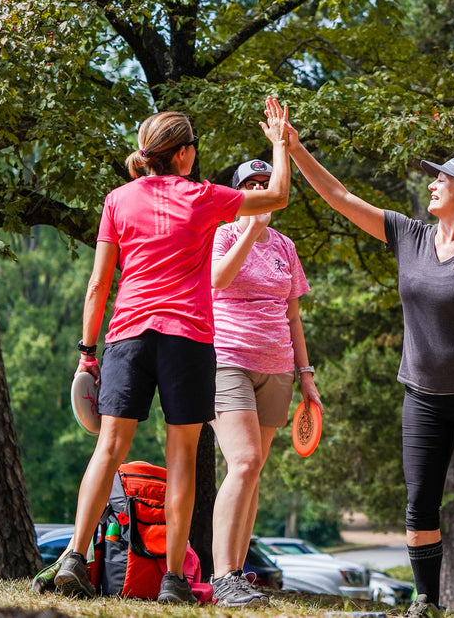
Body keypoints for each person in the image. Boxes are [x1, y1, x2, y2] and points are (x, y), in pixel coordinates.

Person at [273, 96, 454, 618]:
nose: (431, 183)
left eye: (441, 180)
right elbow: (338, 195)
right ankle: (426, 600)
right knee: (418, 502)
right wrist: (294, 150)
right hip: (422, 396)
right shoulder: (409, 236)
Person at [52, 101, 293, 604]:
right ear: (184, 154)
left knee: (110, 448)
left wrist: (86, 352)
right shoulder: (205, 196)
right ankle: (173, 580)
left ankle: (74, 555)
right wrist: (279, 142)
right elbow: (278, 195)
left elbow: (98, 285)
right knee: (182, 457)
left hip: (128, 335)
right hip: (188, 340)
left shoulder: (119, 199)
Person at [206, 158, 323, 606]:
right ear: (237, 196)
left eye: (264, 183)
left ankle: (236, 574)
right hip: (228, 361)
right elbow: (217, 279)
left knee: (253, 475)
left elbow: (293, 314)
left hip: (277, 369)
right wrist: (250, 232)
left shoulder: (285, 247)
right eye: (249, 185)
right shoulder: (220, 235)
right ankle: (222, 577)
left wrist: (305, 375)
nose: (258, 190)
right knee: (244, 462)